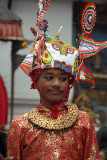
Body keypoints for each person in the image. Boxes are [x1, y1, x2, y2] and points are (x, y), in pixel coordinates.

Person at [5, 1, 107, 160]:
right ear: (36, 81)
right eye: (49, 77)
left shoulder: (83, 121)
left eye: (63, 78)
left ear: (70, 83)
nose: (56, 84)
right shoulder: (20, 125)